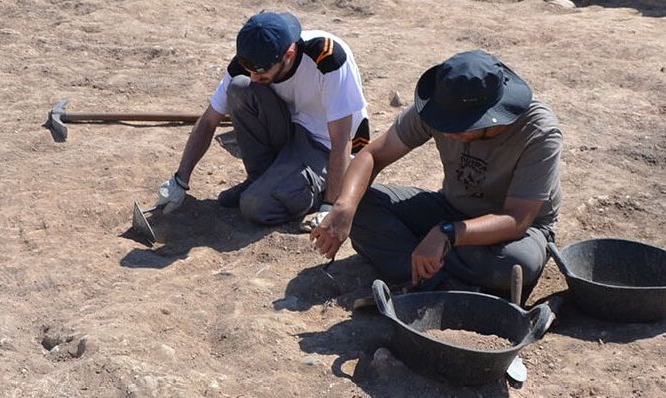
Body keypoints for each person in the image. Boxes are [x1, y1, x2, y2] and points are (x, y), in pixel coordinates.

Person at [311, 50, 562, 296]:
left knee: (517, 263)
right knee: (361, 205)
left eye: (460, 127)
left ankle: (418, 265)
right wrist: (344, 207)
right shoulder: (441, 106)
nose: (447, 131)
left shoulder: (538, 132)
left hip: (514, 231)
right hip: (450, 207)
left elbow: (517, 219)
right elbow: (372, 155)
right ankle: (445, 286)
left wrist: (447, 233)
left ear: (491, 115)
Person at [155, 11, 369, 228]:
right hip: (291, 128)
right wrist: (180, 180)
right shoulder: (251, 64)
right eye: (251, 71)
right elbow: (210, 120)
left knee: (255, 206)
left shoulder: (328, 58)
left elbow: (342, 140)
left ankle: (314, 193)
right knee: (239, 88)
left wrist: (330, 206)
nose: (254, 78)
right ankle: (261, 179)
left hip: (325, 144)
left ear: (289, 54)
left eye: (262, 72)